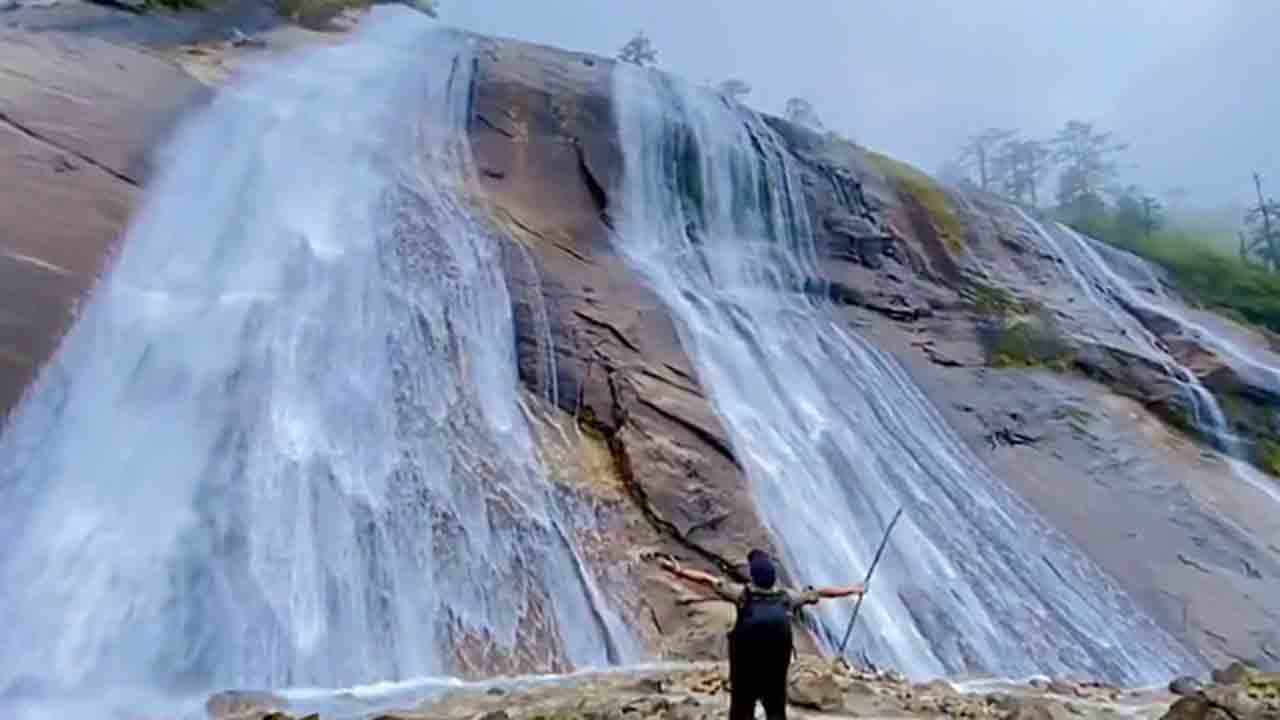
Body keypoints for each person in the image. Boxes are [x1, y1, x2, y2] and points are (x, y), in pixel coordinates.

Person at [658, 549, 865, 720]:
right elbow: (822, 592)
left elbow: (707, 581)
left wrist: (679, 572)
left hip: (745, 669)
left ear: (753, 578)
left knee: (741, 711)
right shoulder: (787, 599)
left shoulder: (741, 595)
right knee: (775, 710)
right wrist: (852, 590)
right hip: (774, 670)